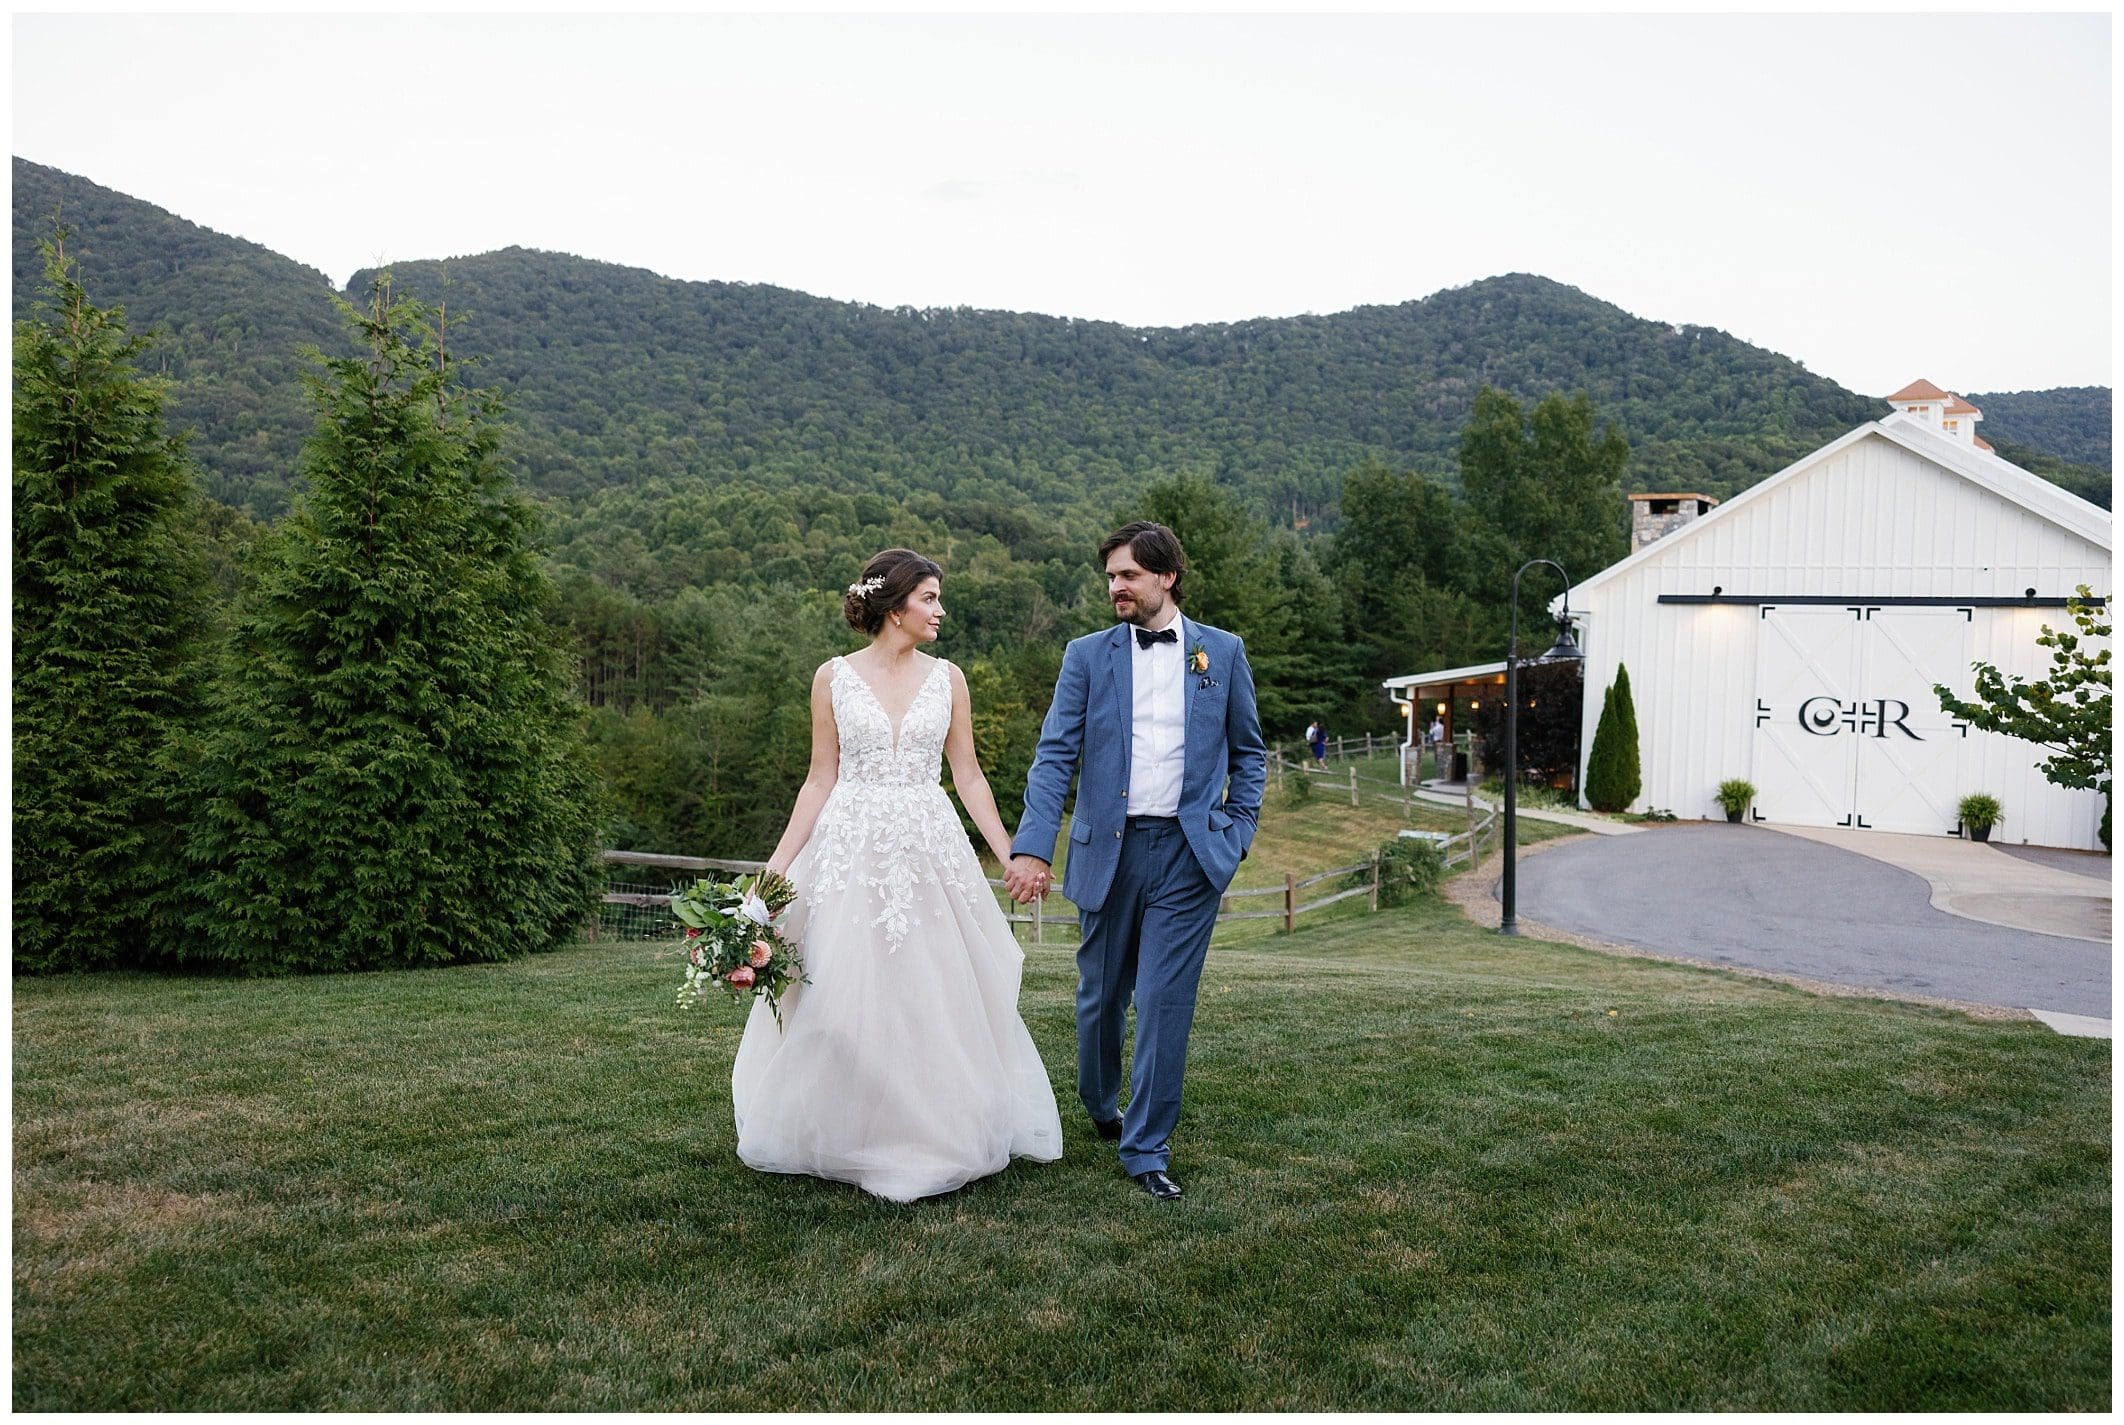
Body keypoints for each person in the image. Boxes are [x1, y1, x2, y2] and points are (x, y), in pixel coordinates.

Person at [731, 548, 1062, 1202]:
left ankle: (934, 1128)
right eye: (931, 598)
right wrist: (770, 875)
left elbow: (967, 774)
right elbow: (819, 778)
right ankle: (844, 1127)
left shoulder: (949, 678)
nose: (940, 610)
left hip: (927, 847)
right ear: (895, 605)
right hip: (848, 847)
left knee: (931, 988)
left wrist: (1010, 853)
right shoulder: (831, 677)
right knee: (837, 991)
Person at [1004, 522, 1266, 1201]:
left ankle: (1146, 1145)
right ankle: (1100, 1101)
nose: (1115, 587)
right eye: (1111, 576)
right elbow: (1055, 754)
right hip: (1108, 851)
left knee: (1163, 1000)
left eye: (1127, 575)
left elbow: (1250, 752)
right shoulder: (1086, 656)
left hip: (1189, 853)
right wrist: (1032, 843)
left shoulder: (1224, 653)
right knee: (1100, 997)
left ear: (1166, 576)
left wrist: (1235, 831)